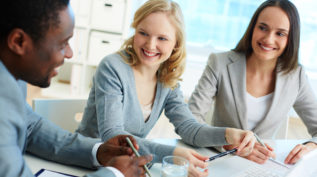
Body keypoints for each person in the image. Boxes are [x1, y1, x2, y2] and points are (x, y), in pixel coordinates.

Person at [76, 0, 256, 176]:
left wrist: (228, 134)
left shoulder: (167, 77)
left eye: (162, 38)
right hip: (89, 164)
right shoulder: (112, 67)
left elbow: (189, 128)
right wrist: (173, 155)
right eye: (143, 33)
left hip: (129, 167)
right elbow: (113, 137)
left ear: (175, 43)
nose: (150, 44)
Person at [0, 0, 152, 177]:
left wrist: (98, 152)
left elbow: (30, 127)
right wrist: (114, 174)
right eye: (63, 43)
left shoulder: (11, 72)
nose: (70, 53)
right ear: (18, 41)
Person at [188, 0, 317, 165]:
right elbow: (189, 121)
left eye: (280, 33)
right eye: (263, 28)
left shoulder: (296, 76)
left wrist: (311, 146)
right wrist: (227, 143)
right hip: (221, 162)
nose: (269, 39)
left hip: (264, 166)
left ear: (290, 39)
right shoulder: (219, 63)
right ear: (252, 28)